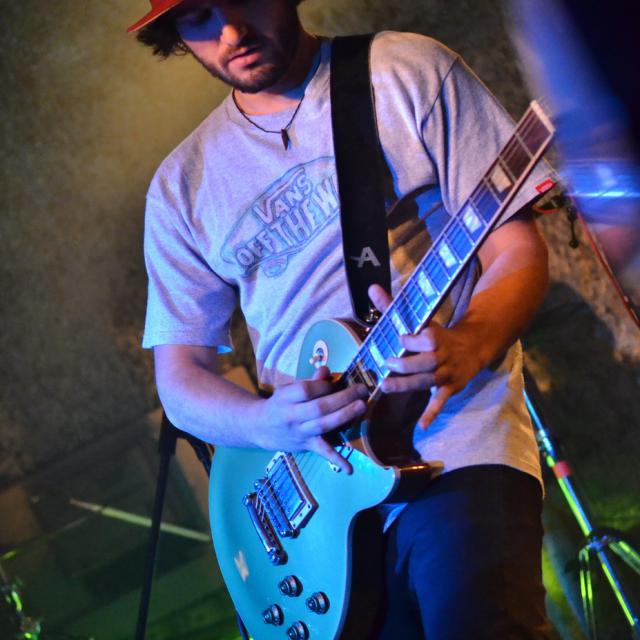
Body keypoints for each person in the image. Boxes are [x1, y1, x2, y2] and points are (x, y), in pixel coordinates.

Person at [130, 0, 555, 637]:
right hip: (309, 504)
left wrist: (471, 340)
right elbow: (181, 380)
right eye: (197, 19)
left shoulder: (404, 71)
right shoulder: (180, 187)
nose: (231, 32)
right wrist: (267, 422)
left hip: (454, 444)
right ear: (175, 37)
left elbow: (516, 249)